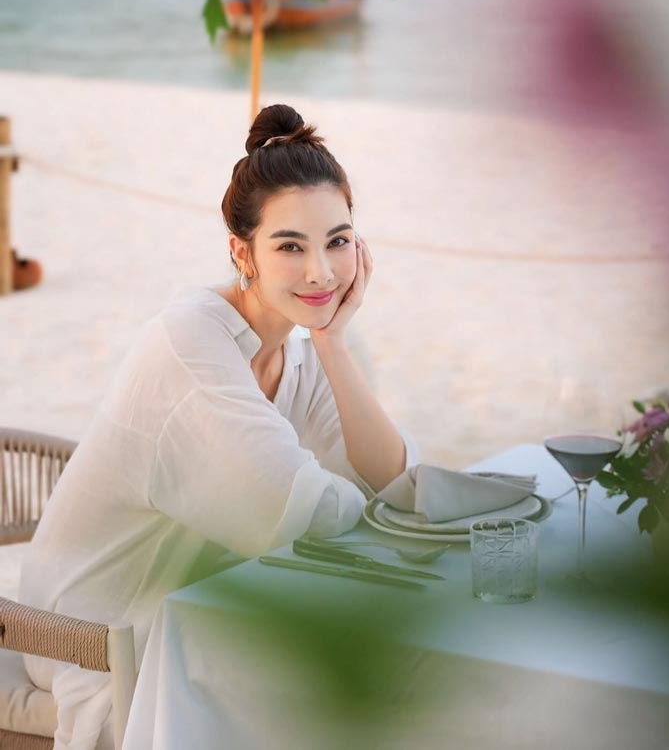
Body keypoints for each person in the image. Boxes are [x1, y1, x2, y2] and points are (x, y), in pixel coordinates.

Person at [18, 103, 419, 750]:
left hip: (200, 611)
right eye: (291, 246)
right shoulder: (189, 344)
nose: (321, 271)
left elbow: (393, 482)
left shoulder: (309, 340)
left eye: (338, 241)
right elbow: (288, 510)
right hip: (96, 637)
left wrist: (335, 344)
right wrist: (371, 507)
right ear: (242, 252)